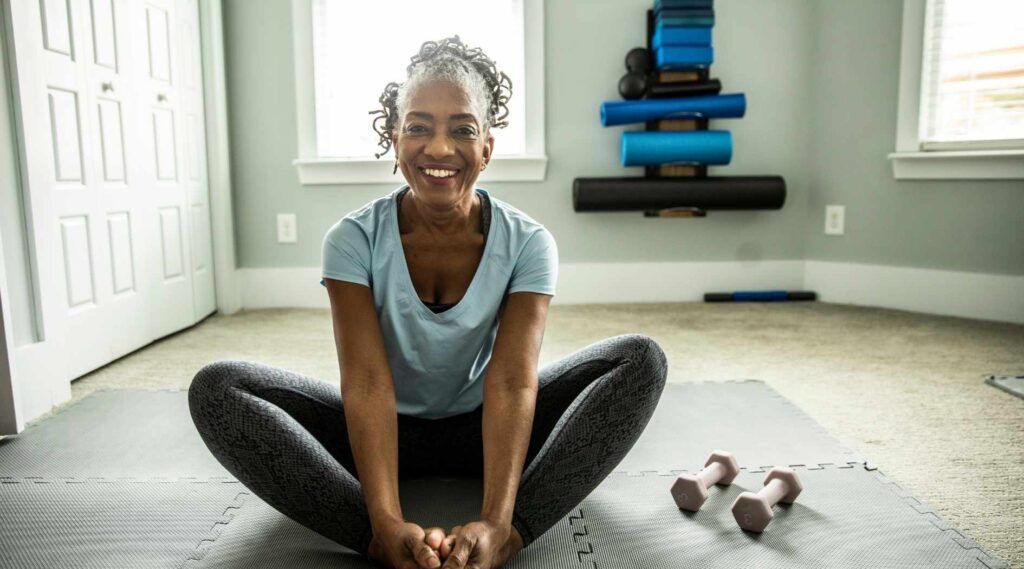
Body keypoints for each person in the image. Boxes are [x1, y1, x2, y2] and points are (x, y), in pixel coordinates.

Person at [188, 36, 668, 569]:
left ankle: (508, 539)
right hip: (380, 430)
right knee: (217, 389)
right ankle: (376, 539)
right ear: (394, 138)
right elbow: (367, 383)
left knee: (640, 359)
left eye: (462, 130)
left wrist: (498, 519)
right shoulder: (352, 240)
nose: (439, 149)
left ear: (487, 146)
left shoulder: (529, 244)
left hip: (486, 425)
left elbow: (512, 381)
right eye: (418, 127)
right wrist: (386, 519)